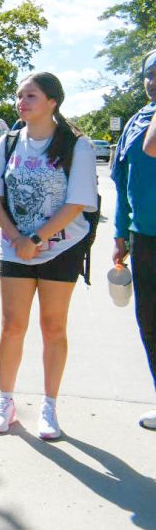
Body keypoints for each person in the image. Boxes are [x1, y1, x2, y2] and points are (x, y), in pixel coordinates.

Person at [0, 72, 97, 440]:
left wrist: (37, 237)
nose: (21, 102)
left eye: (30, 96)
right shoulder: (8, 141)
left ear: (52, 101)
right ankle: (5, 401)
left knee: (53, 326)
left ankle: (49, 406)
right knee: (12, 325)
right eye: (19, 96)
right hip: (15, 248)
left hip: (61, 248)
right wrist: (18, 238)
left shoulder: (75, 144)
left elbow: (77, 201)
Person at [111, 49, 156, 431]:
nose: (154, 80)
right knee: (150, 320)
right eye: (151, 74)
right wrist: (119, 233)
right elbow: (123, 183)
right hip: (144, 236)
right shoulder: (136, 122)